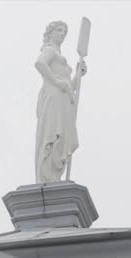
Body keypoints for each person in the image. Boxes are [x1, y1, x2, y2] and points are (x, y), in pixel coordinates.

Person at [34, 21, 87, 183]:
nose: (62, 34)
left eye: (64, 32)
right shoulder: (49, 50)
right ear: (50, 33)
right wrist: (57, 82)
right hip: (53, 98)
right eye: (59, 30)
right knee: (52, 135)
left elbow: (69, 87)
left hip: (63, 100)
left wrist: (78, 75)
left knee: (62, 137)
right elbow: (39, 63)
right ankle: (47, 176)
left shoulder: (59, 55)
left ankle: (54, 176)